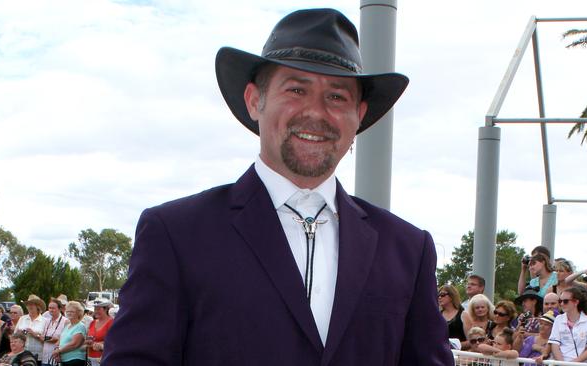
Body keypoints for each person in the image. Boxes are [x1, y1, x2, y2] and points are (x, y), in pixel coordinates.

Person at [102, 8, 453, 366]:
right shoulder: (177, 235)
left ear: (359, 115)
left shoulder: (407, 250)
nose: (316, 112)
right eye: (296, 89)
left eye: (337, 96)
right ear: (255, 101)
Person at [548, 286, 587, 362]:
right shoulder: (558, 319)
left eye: (565, 301)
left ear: (576, 302)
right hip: (560, 363)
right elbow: (555, 345)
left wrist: (573, 363)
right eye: (560, 301)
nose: (561, 304)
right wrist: (563, 364)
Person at [51, 301, 86, 366]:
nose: (69, 313)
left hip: (74, 360)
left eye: (72, 312)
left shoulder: (80, 326)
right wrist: (57, 351)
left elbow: (74, 344)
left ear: (78, 313)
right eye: (67, 311)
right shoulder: (67, 325)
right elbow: (60, 341)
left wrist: (59, 351)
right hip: (64, 360)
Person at [14, 295, 46, 364]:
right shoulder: (22, 319)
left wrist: (34, 334)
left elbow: (46, 340)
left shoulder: (45, 321)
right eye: (28, 304)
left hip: (38, 355)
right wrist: (20, 333)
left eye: (32, 304)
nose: (30, 306)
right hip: (22, 354)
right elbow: (15, 336)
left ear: (38, 307)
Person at [40, 298, 69, 366]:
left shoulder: (65, 321)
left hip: (57, 357)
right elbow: (42, 336)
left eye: (53, 308)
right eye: (49, 308)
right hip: (45, 357)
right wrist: (42, 338)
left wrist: (57, 339)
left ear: (59, 309)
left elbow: (67, 339)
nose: (51, 310)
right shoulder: (47, 321)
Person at [86, 299, 113, 366]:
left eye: (98, 309)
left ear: (106, 309)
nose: (95, 311)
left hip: (103, 358)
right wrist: (87, 342)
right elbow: (88, 338)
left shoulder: (111, 322)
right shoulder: (92, 322)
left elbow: (113, 341)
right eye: (95, 309)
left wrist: (100, 344)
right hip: (90, 357)